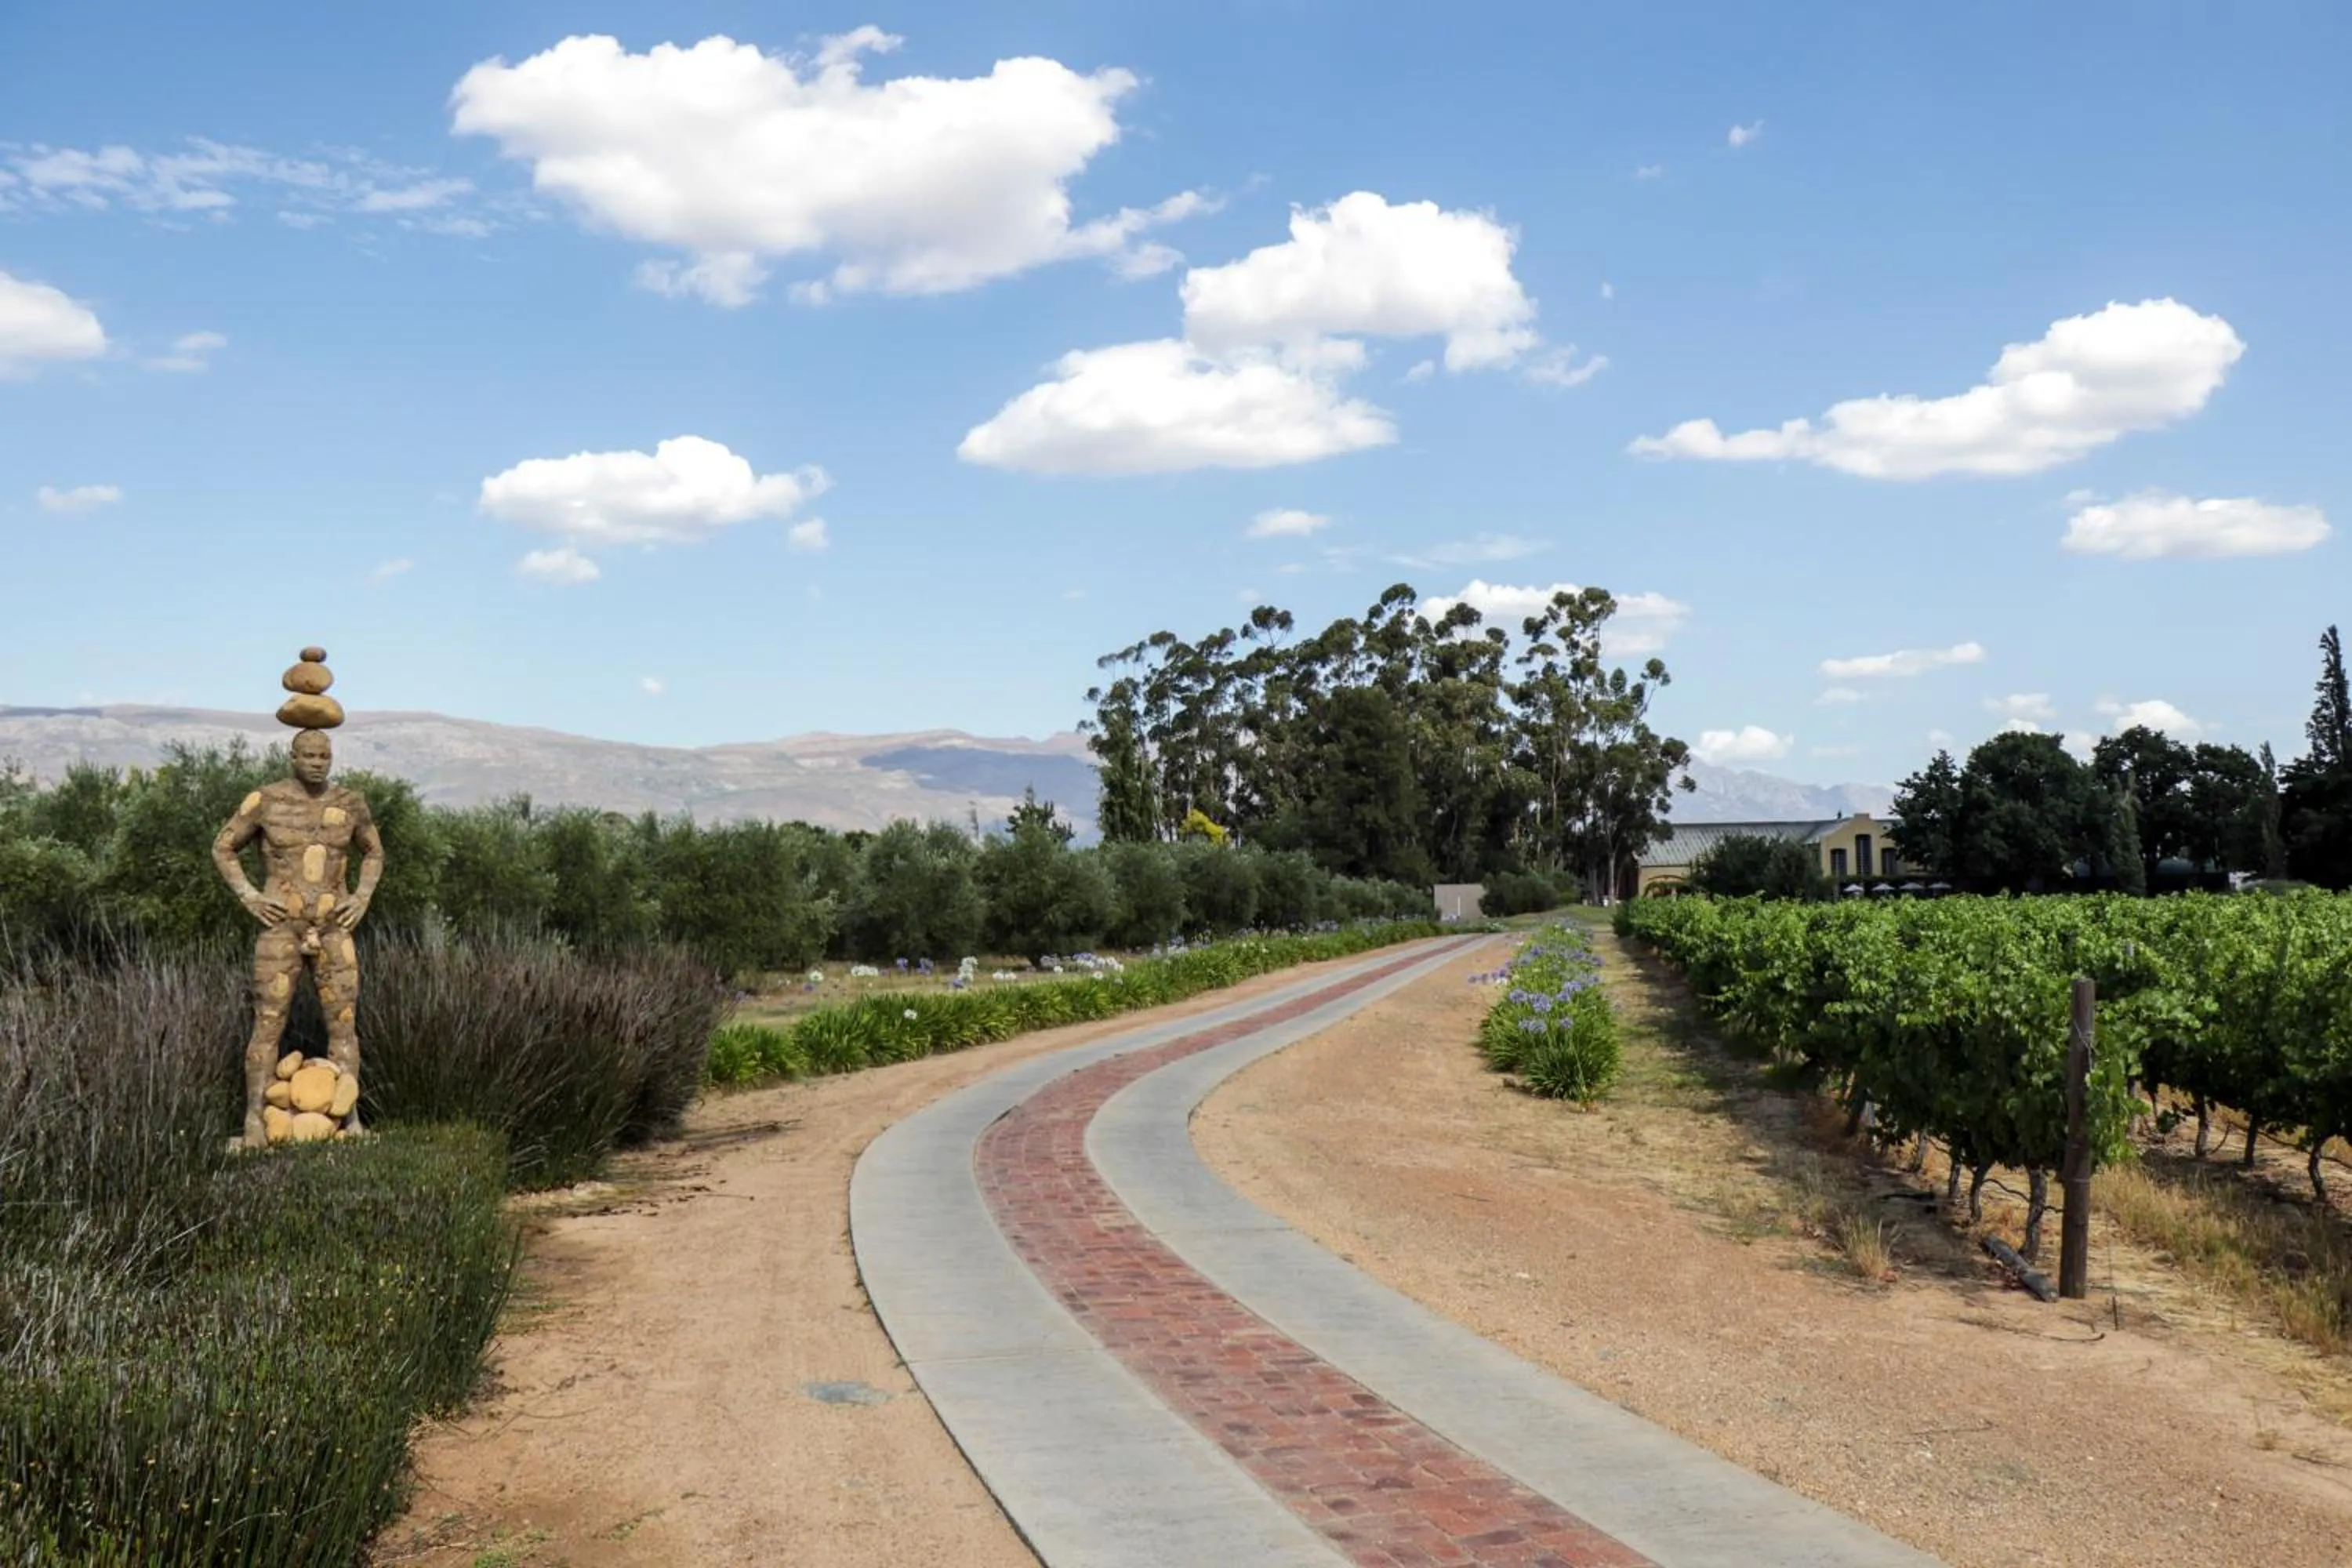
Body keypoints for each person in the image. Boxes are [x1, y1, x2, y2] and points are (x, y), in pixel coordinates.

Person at [211, 728, 385, 1147]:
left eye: (324, 755)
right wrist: (249, 895)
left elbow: (374, 852)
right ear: (293, 756)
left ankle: (349, 1121)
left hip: (333, 929)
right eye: (308, 754)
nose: (317, 762)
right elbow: (223, 847)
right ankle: (255, 1121)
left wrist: (361, 896)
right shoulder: (267, 800)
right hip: (281, 927)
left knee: (344, 1025)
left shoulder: (349, 802)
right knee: (268, 1024)